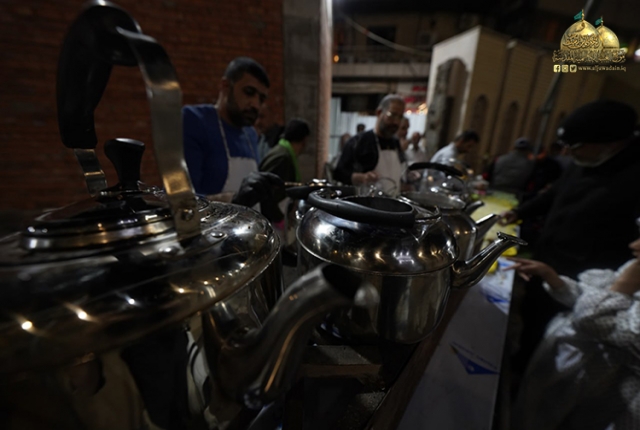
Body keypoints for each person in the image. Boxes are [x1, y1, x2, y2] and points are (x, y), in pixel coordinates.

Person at [500, 99, 640, 374]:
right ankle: (520, 371)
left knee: (559, 346)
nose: (566, 152)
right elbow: (555, 193)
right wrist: (520, 212)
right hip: (550, 264)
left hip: (587, 282)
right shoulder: (586, 160)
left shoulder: (634, 177)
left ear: (610, 143)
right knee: (531, 325)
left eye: (575, 146)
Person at [507, 225, 640, 430]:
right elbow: (590, 298)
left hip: (596, 384)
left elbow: (590, 318)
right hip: (569, 365)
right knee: (533, 406)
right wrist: (551, 276)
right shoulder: (634, 267)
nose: (634, 245)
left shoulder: (633, 275)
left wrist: (624, 285)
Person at [182, 57, 283, 208]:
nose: (256, 105)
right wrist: (233, 200)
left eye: (261, 99)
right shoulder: (195, 121)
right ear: (225, 86)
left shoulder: (251, 134)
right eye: (249, 92)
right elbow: (182, 202)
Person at [334, 94, 406, 196]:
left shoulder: (396, 143)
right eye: (392, 115)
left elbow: (400, 171)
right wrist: (360, 177)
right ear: (379, 112)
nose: (396, 122)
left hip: (393, 201)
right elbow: (338, 173)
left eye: (400, 117)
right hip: (365, 202)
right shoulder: (358, 141)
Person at [259, 118, 311, 222]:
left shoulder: (282, 151)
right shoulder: (283, 157)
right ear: (304, 141)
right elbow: (267, 192)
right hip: (270, 219)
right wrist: (279, 219)